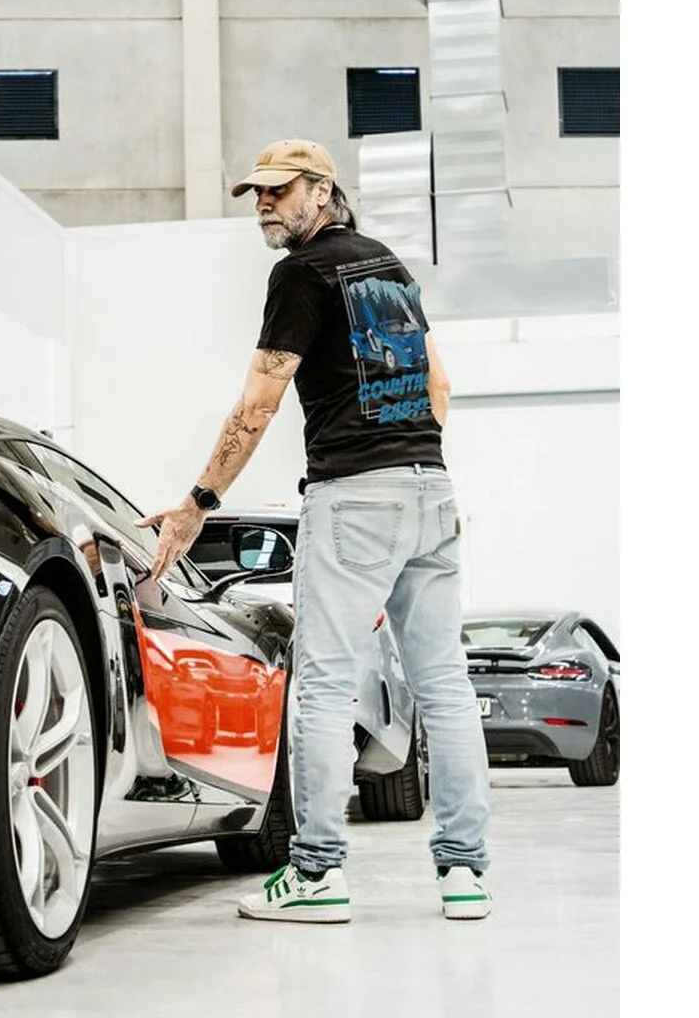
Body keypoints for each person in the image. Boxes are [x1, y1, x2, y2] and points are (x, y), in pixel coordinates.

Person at [137, 138, 491, 924]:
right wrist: (417, 472)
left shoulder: (301, 272)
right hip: (430, 490)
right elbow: (438, 385)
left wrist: (199, 501)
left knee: (325, 685)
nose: (264, 203)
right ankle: (465, 873)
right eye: (257, 193)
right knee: (444, 685)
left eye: (280, 190)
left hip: (354, 495)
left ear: (322, 192)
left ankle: (317, 874)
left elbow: (259, 403)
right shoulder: (389, 267)